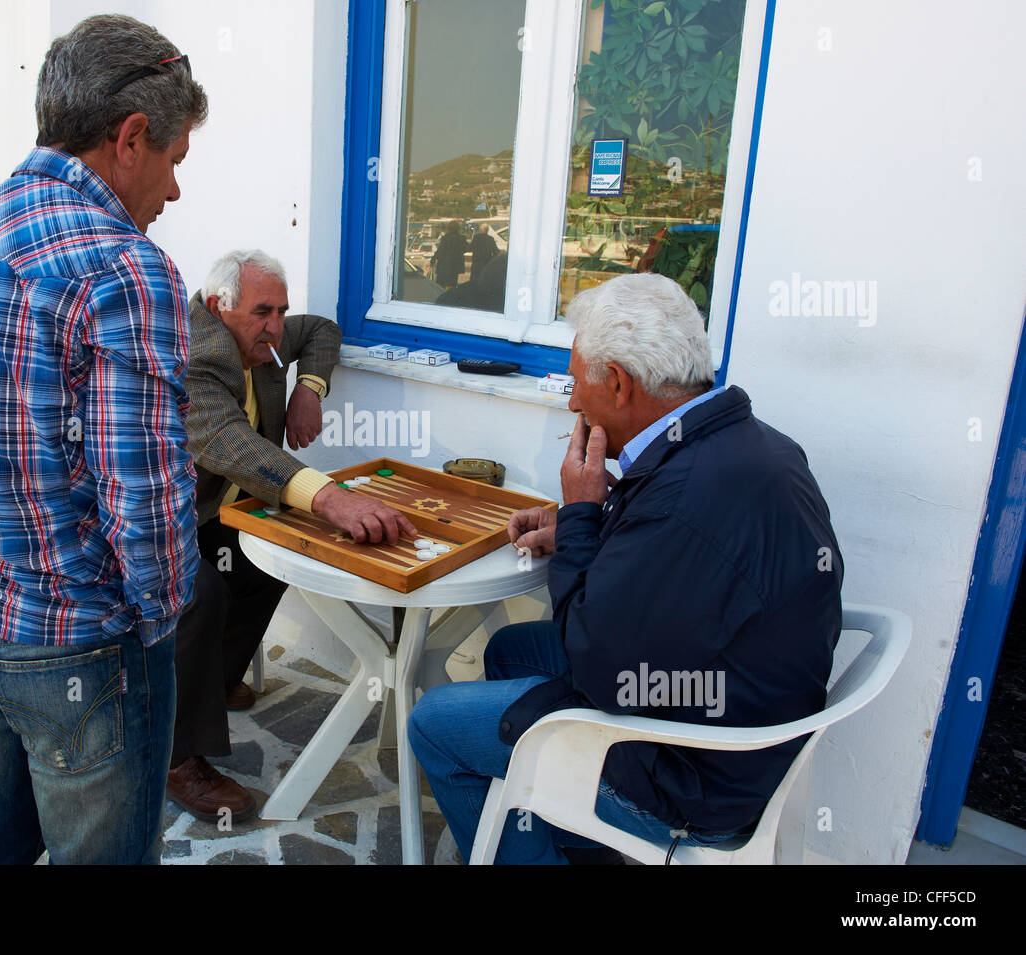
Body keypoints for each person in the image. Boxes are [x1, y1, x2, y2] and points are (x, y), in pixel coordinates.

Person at [0, 14, 208, 864]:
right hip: (77, 644)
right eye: (174, 161)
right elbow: (146, 499)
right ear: (130, 137)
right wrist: (157, 623)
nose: (173, 192)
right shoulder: (121, 266)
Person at [408, 272, 844, 864]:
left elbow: (602, 671)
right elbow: (683, 578)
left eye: (574, 382)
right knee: (512, 650)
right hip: (732, 707)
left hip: (692, 776)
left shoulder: (681, 499)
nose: (570, 401)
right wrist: (594, 524)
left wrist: (585, 511)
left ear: (616, 383)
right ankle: (553, 830)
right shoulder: (751, 445)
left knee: (433, 722)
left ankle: (548, 835)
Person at [167, 249, 416, 822]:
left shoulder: (270, 335)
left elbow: (322, 330)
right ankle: (178, 759)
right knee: (198, 595)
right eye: (262, 312)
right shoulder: (198, 356)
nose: (276, 325)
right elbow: (227, 442)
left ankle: (219, 679)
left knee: (267, 560)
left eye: (280, 310)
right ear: (217, 307)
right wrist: (329, 497)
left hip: (230, 511)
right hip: (173, 516)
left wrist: (310, 389)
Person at [431, 221, 468, 288]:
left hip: (443, 266)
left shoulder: (445, 238)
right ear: (458, 229)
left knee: (440, 286)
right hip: (455, 267)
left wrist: (433, 259)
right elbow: (466, 249)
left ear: (448, 228)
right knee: (452, 285)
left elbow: (440, 251)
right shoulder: (461, 239)